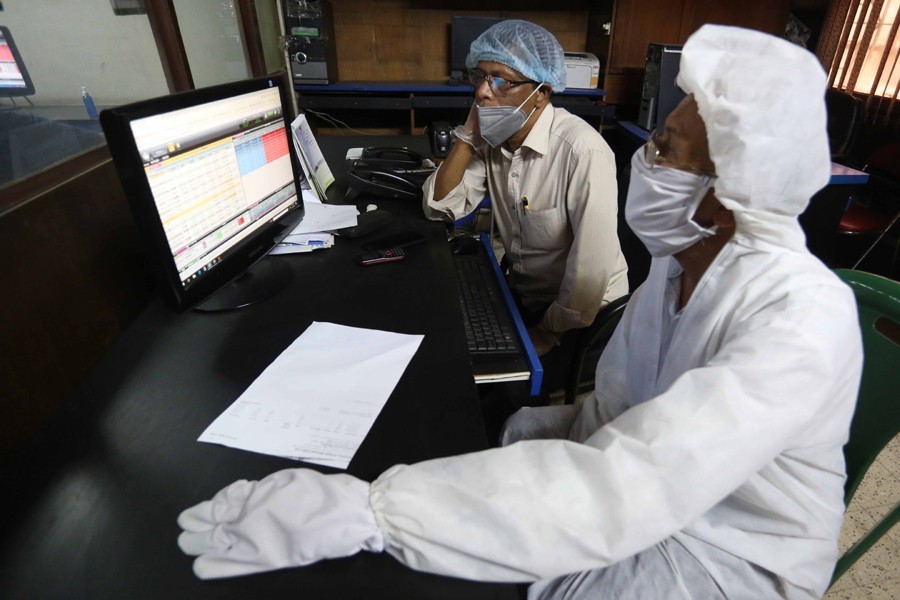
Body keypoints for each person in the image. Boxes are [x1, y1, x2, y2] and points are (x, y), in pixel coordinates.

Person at [176, 25, 863, 599]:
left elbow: (636, 482)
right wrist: (518, 437)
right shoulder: (682, 264)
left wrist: (372, 510)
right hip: (652, 499)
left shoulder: (800, 319)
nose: (647, 163)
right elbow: (627, 416)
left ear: (728, 186)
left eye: (664, 151)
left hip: (720, 559)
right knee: (471, 462)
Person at [422, 20, 628, 391]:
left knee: (495, 390)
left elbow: (590, 274)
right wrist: (467, 138)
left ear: (541, 92)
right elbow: (439, 207)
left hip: (584, 320)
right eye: (480, 77)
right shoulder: (491, 138)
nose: (483, 92)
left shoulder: (582, 151)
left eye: (501, 80)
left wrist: (547, 333)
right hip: (530, 298)